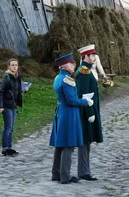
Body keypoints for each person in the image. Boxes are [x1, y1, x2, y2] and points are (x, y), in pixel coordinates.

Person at [49, 53, 94, 184]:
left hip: (60, 112)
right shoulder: (67, 80)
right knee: (68, 145)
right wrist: (86, 102)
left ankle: (56, 173)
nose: (74, 65)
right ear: (65, 66)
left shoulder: (58, 78)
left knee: (60, 144)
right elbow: (72, 100)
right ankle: (65, 175)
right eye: (71, 64)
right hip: (68, 114)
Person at [75, 44, 103, 181]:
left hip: (89, 109)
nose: (94, 58)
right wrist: (90, 111)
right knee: (85, 140)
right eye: (92, 55)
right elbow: (84, 94)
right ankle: (83, 171)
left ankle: (84, 170)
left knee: (87, 140)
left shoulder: (87, 70)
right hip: (86, 111)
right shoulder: (83, 72)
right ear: (85, 56)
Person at [0, 58, 28, 156]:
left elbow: (16, 91)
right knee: (8, 127)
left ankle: (9, 147)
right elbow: (0, 91)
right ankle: (5, 148)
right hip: (7, 105)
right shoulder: (7, 77)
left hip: (14, 105)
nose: (14, 67)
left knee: (12, 127)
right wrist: (0, 106)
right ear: (8, 67)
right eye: (12, 65)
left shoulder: (17, 77)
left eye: (16, 65)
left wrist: (24, 90)